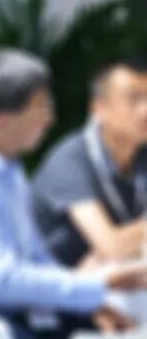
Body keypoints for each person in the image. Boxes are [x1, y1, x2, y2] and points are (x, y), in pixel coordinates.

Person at [0, 50, 146, 339]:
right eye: (42, 106)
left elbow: (36, 256)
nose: (50, 119)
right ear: (4, 119)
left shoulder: (7, 167)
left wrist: (90, 303)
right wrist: (101, 284)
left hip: (23, 318)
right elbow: (1, 279)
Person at [34, 59, 147, 266]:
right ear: (99, 109)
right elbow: (112, 248)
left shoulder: (141, 153)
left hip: (114, 272)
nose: (145, 110)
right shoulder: (70, 160)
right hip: (54, 279)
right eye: (134, 99)